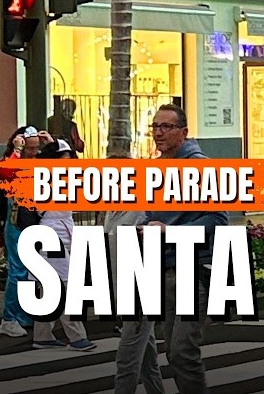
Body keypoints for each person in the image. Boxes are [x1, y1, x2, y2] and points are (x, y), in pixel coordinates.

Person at [119, 105, 227, 394]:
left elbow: (217, 219)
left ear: (184, 132)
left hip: (195, 270)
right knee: (172, 350)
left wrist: (172, 231)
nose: (158, 133)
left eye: (166, 127)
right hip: (161, 267)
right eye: (155, 126)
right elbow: (153, 214)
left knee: (182, 350)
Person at [31, 137, 96, 351]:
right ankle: (76, 336)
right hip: (50, 236)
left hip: (55, 234)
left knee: (49, 285)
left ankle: (42, 334)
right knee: (68, 284)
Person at [0, 126, 38, 338]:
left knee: (30, 270)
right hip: (16, 222)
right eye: (30, 148)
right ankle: (9, 318)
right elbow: (6, 173)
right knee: (18, 271)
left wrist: (50, 145)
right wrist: (18, 151)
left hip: (31, 221)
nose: (34, 152)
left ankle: (22, 314)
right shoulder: (12, 159)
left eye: (36, 149)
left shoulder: (37, 160)